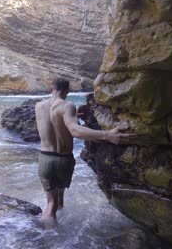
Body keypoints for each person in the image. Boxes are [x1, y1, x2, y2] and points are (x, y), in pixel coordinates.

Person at [35, 78, 137, 227]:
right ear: (67, 91)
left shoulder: (38, 106)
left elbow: (53, 122)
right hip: (64, 160)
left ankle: (47, 235)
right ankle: (56, 239)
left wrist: (72, 117)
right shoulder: (67, 106)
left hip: (45, 159)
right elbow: (74, 130)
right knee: (59, 201)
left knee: (50, 204)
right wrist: (107, 135)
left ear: (52, 89)